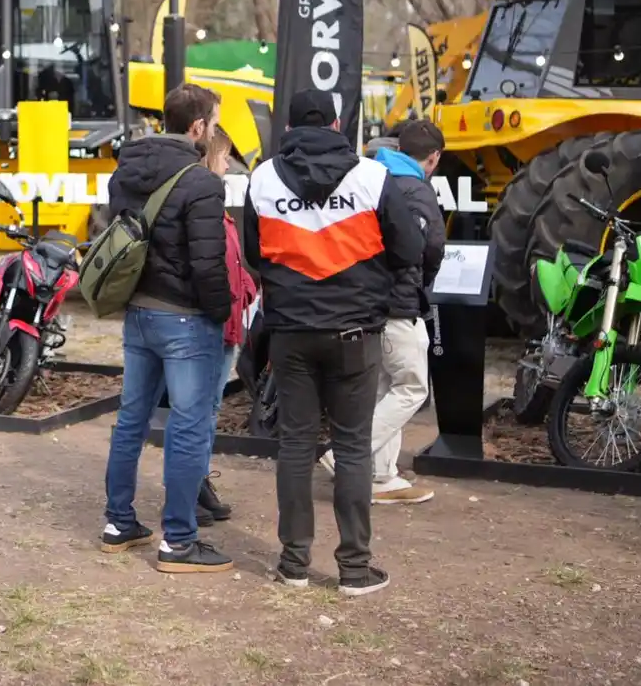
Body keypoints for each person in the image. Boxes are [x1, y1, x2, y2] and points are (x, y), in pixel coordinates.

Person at [241, 88, 422, 597]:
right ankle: (354, 570)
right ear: (338, 123)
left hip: (291, 333)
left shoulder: (263, 178)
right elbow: (408, 249)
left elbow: (255, 253)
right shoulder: (373, 177)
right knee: (352, 447)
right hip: (355, 332)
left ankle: (293, 564)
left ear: (291, 126)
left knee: (295, 446)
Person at [101, 83, 233, 573]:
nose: (213, 131)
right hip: (186, 319)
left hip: (138, 310)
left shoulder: (127, 168)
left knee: (131, 420)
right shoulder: (201, 182)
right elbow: (208, 263)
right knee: (189, 427)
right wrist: (220, 312)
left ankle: (118, 523)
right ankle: (178, 541)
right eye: (213, 123)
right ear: (198, 126)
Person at [318, 119, 446, 504]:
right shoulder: (417, 192)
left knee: (384, 387)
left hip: (364, 302)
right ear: (434, 158)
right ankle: (344, 454)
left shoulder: (371, 178)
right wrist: (424, 285)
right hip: (399, 304)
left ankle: (380, 476)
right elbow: (432, 248)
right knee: (412, 387)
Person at [197, 125, 258, 526]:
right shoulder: (205, 205)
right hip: (216, 326)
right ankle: (193, 488)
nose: (227, 167)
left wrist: (248, 285)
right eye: (223, 159)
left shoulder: (215, 206)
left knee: (208, 408)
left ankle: (198, 483)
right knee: (201, 410)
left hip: (227, 325)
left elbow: (230, 260)